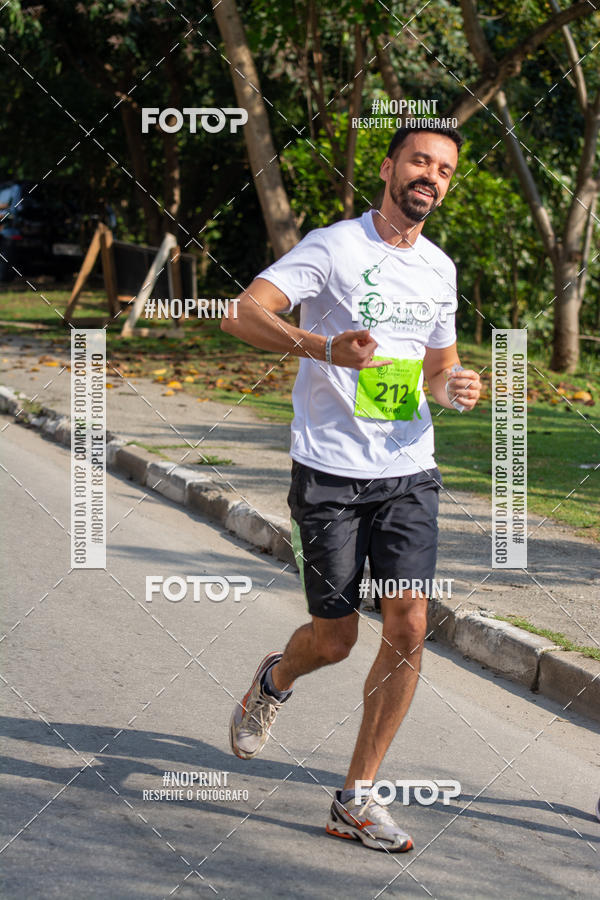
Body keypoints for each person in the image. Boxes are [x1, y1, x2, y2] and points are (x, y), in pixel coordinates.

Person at [221, 125, 482, 852]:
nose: (431, 176)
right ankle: (274, 679)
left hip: (408, 468)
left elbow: (435, 372)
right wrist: (323, 347)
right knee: (335, 641)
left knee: (408, 622)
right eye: (420, 161)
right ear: (390, 167)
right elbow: (243, 312)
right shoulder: (335, 247)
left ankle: (356, 795)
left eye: (445, 169)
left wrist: (452, 387)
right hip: (330, 469)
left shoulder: (438, 268)